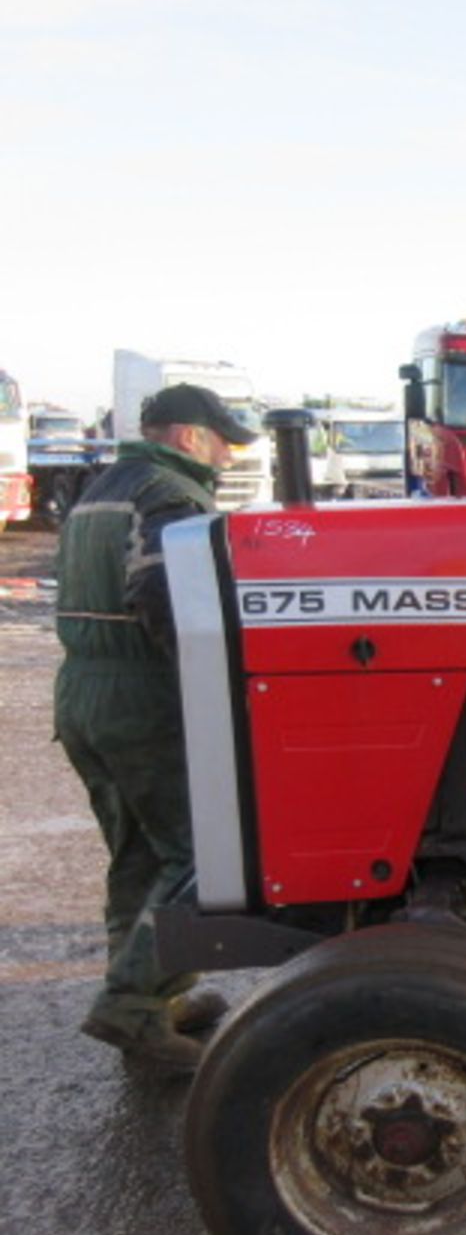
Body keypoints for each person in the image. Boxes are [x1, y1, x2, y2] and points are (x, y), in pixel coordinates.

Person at [55, 383, 258, 1070]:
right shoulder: (169, 494)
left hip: (81, 690)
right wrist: (219, 687)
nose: (229, 455)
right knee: (205, 854)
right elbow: (160, 594)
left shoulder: (99, 488)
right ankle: (132, 1007)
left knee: (139, 855)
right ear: (187, 435)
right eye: (223, 439)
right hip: (141, 696)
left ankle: (157, 999)